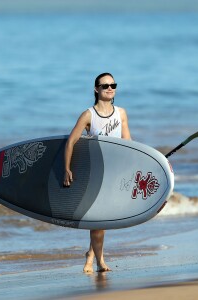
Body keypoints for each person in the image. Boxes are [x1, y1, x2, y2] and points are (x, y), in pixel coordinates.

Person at [64, 72, 131, 273]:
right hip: (96, 174)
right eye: (105, 86)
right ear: (96, 89)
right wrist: (66, 169)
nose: (110, 88)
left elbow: (128, 144)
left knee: (103, 220)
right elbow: (70, 142)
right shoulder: (88, 115)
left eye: (113, 85)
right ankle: (100, 261)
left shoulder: (121, 114)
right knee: (99, 220)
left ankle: (91, 255)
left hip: (116, 173)